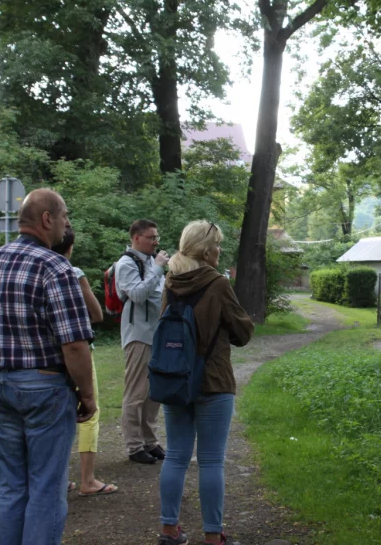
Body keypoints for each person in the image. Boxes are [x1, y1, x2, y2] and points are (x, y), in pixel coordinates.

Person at [0, 188, 96, 545]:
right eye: (64, 216)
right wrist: (87, 395)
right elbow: (75, 344)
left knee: (10, 483)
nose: (66, 223)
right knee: (46, 487)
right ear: (47, 219)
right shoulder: (55, 266)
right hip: (45, 388)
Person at [157, 220, 253, 545]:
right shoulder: (217, 283)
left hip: (176, 380)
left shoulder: (171, 281)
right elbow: (243, 332)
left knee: (175, 456)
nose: (220, 250)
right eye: (217, 245)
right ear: (206, 250)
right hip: (213, 381)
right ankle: (213, 537)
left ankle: (169, 531)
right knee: (211, 460)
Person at [51, 226, 119, 497]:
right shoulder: (74, 273)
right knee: (89, 413)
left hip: (47, 355)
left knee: (54, 415)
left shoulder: (38, 268)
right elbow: (97, 314)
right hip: (77, 349)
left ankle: (57, 480)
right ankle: (87, 480)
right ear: (70, 248)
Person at [116, 219, 170, 464]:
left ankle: (150, 441)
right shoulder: (126, 263)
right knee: (136, 392)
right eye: (151, 237)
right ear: (136, 238)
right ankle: (134, 446)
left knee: (153, 393)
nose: (156, 242)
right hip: (138, 335)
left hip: (157, 334)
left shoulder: (150, 262)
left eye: (157, 237)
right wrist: (158, 268)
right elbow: (138, 295)